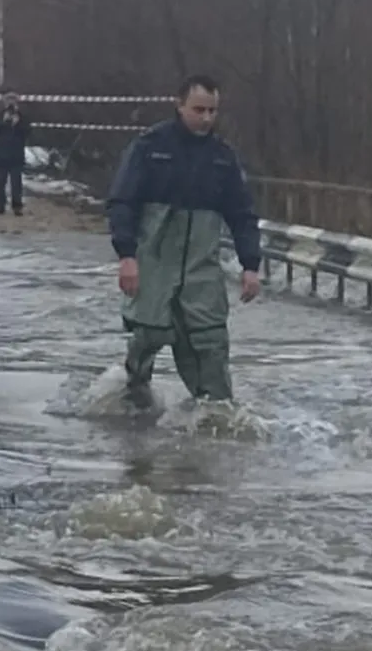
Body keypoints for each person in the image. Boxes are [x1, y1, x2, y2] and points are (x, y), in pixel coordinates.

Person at [105, 74, 262, 406]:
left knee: (210, 341)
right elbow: (122, 202)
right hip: (155, 263)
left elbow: (242, 214)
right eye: (199, 110)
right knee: (149, 333)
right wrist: (127, 256)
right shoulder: (149, 148)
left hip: (200, 269)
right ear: (179, 105)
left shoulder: (223, 158)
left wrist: (251, 265)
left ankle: (216, 416)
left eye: (212, 111)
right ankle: (131, 395)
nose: (206, 118)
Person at [0, 90, 31, 216]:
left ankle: (17, 206)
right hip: (1, 154)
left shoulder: (22, 117)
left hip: (16, 155)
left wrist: (17, 124)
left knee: (16, 183)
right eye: (8, 100)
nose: (10, 103)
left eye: (13, 100)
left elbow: (28, 132)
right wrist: (3, 122)